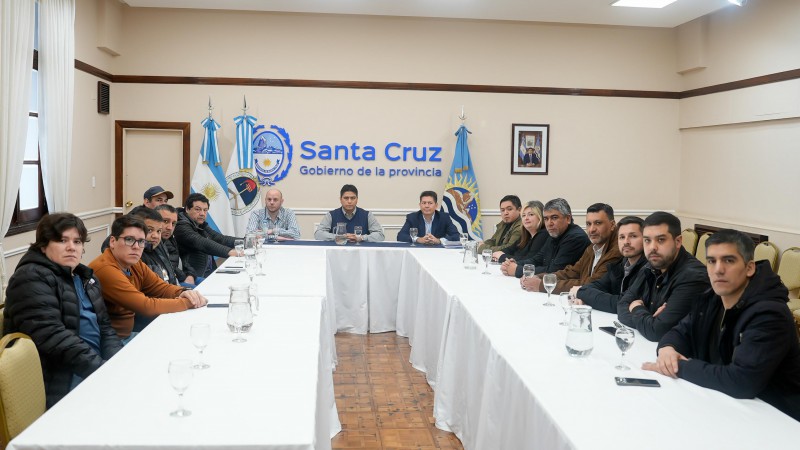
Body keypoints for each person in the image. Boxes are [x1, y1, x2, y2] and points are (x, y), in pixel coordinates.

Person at [643, 229, 800, 421]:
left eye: (729, 260)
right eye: (711, 261)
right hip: (725, 404)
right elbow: (680, 332)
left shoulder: (769, 314)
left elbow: (741, 381)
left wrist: (679, 367)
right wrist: (667, 349)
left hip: (776, 417)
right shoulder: (712, 298)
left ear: (749, 268)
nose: (718, 269)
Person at [3, 213, 123, 408]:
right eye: (62, 240)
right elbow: (54, 338)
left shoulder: (84, 277)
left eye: (77, 241)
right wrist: (103, 370)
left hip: (92, 366)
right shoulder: (30, 278)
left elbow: (105, 328)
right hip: (60, 378)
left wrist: (118, 362)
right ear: (43, 245)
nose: (71, 247)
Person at [89, 215, 207, 341]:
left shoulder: (133, 262)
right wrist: (188, 302)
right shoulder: (106, 269)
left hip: (129, 333)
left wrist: (184, 292)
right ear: (113, 241)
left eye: (141, 241)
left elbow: (161, 288)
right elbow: (146, 306)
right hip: (115, 341)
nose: (136, 246)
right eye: (129, 240)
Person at [617, 211, 709, 342]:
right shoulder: (651, 265)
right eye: (647, 240)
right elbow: (621, 305)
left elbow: (657, 331)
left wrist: (636, 308)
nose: (652, 247)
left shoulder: (693, 277)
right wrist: (649, 320)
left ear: (678, 241)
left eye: (661, 240)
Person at [521, 203, 621, 293]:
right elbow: (572, 272)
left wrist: (542, 285)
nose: (592, 229)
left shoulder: (617, 250)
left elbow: (590, 284)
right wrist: (539, 277)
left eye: (598, 223)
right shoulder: (593, 246)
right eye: (588, 224)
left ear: (612, 225)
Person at [573, 216, 647, 313]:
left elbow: (624, 303)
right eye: (622, 237)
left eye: (633, 236)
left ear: (646, 239)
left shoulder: (649, 269)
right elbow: (588, 288)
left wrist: (582, 294)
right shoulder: (619, 266)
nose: (626, 242)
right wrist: (583, 293)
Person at [510, 198, 589, 278]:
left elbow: (555, 271)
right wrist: (515, 263)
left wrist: (518, 270)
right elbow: (537, 259)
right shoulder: (554, 233)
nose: (549, 223)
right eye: (546, 219)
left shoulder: (575, 238)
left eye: (554, 218)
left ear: (568, 219)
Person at [174, 193, 239, 278]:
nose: (202, 213)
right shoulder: (180, 225)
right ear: (187, 209)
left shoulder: (200, 224)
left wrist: (247, 241)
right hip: (193, 275)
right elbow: (201, 243)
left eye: (205, 210)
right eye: (198, 209)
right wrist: (230, 252)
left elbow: (220, 239)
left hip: (208, 273)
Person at [314, 184, 385, 242]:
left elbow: (380, 235)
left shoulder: (367, 215)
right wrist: (340, 237)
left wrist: (361, 238)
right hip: (337, 254)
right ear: (340, 199)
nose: (349, 201)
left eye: (353, 198)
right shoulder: (331, 215)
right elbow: (318, 234)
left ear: (357, 199)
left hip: (361, 254)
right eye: (346, 198)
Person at [155, 204, 201, 287]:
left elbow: (184, 258)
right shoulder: (152, 243)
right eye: (165, 221)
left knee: (213, 284)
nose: (170, 227)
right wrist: (185, 276)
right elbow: (167, 268)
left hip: (181, 277)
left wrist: (190, 274)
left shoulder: (171, 238)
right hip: (170, 283)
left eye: (173, 223)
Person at [133, 207, 179, 286]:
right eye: (149, 230)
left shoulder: (157, 244)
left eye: (159, 231)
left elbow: (170, 274)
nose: (156, 236)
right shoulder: (136, 256)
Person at [497, 200, 547, 266]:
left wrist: (502, 257)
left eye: (531, 215)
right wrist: (500, 253)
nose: (526, 218)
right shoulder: (526, 234)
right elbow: (510, 249)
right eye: (523, 215)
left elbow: (529, 259)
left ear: (540, 217)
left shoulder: (543, 235)